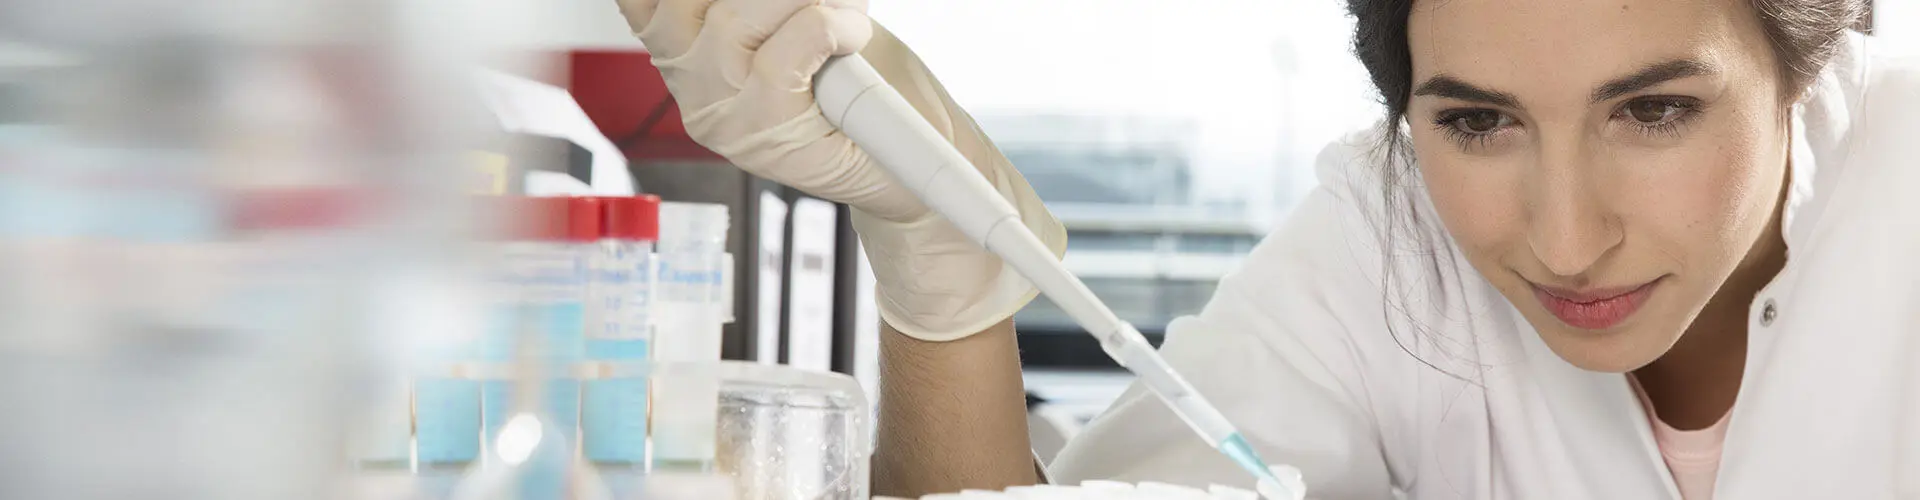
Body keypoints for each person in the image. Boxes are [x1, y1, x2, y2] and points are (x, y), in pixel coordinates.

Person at [614, 0, 1920, 498]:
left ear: (1810, 54)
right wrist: (937, 254)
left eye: (1656, 111)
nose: (1567, 239)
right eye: (1477, 123)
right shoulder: (1390, 235)